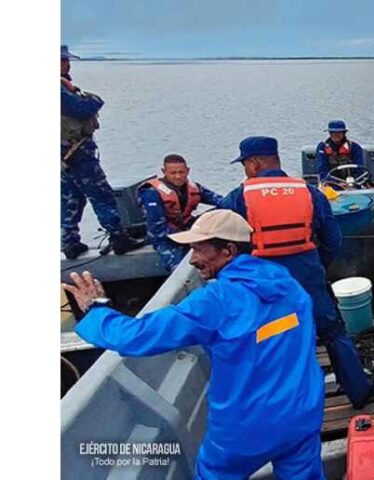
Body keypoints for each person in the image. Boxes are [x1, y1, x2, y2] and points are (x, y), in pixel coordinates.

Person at [62, 210, 325, 480]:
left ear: (228, 251)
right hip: (302, 412)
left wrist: (96, 310)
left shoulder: (216, 300)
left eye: (199, 249)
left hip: (247, 428)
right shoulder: (287, 284)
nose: (194, 259)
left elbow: (138, 336)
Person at [221, 136, 373, 408]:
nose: (245, 169)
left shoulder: (237, 198)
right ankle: (359, 392)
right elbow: (333, 240)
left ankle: (289, 405)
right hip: (309, 281)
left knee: (274, 344)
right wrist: (315, 265)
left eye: (244, 163)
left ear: (254, 163)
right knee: (335, 335)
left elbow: (227, 247)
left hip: (265, 290)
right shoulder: (310, 192)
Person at [61, 45, 143, 260]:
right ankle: (119, 237)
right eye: (62, 60)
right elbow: (83, 108)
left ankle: (70, 242)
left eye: (66, 60)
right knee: (101, 194)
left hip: (64, 155)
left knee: (71, 197)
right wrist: (94, 99)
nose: (67, 64)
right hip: (76, 152)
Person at [138, 154, 224, 271]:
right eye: (173, 173)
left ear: (188, 171)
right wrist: (183, 237)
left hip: (188, 229)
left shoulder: (193, 187)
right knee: (178, 268)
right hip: (166, 237)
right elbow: (157, 229)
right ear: (164, 171)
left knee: (220, 212)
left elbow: (220, 201)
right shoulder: (152, 193)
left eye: (181, 172)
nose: (178, 177)